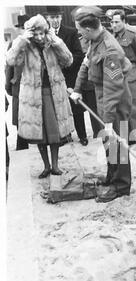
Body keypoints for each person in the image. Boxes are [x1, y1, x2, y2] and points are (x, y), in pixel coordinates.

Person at [70, 6, 132, 203]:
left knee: (118, 141)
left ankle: (122, 185)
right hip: (102, 95)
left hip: (116, 100)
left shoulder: (109, 48)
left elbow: (114, 88)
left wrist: (108, 119)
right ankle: (112, 177)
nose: (78, 32)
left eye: (79, 29)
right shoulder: (94, 42)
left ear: (88, 29)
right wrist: (78, 88)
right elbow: (86, 64)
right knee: (108, 141)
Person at [6, 14, 74, 178]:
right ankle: (46, 166)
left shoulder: (52, 43)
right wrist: (22, 40)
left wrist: (56, 41)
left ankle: (56, 166)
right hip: (33, 96)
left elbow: (68, 60)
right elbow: (11, 60)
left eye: (41, 33)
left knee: (54, 132)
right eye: (35, 34)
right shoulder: (25, 46)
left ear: (46, 31)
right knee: (40, 134)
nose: (39, 37)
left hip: (53, 93)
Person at [43, 6, 88, 146]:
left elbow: (79, 55)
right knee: (59, 107)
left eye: (57, 17)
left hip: (70, 76)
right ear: (47, 19)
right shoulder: (43, 35)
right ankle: (65, 135)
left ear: (61, 17)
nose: (55, 20)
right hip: (54, 78)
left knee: (76, 107)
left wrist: (63, 63)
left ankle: (82, 135)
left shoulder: (71, 32)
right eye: (52, 17)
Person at [111, 9, 136, 153]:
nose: (113, 24)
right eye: (112, 22)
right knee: (122, 109)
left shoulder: (133, 35)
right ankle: (125, 141)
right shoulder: (112, 37)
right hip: (117, 75)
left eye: (116, 22)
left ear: (124, 21)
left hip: (131, 73)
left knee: (135, 109)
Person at [5, 14, 30, 151]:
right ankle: (22, 143)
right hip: (18, 86)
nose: (24, 31)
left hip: (32, 85)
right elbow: (8, 67)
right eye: (22, 28)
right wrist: (9, 84)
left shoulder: (35, 43)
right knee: (20, 116)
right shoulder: (13, 44)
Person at [78, 34, 102, 138]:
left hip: (100, 79)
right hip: (87, 81)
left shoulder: (100, 40)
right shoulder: (80, 42)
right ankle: (97, 132)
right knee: (92, 107)